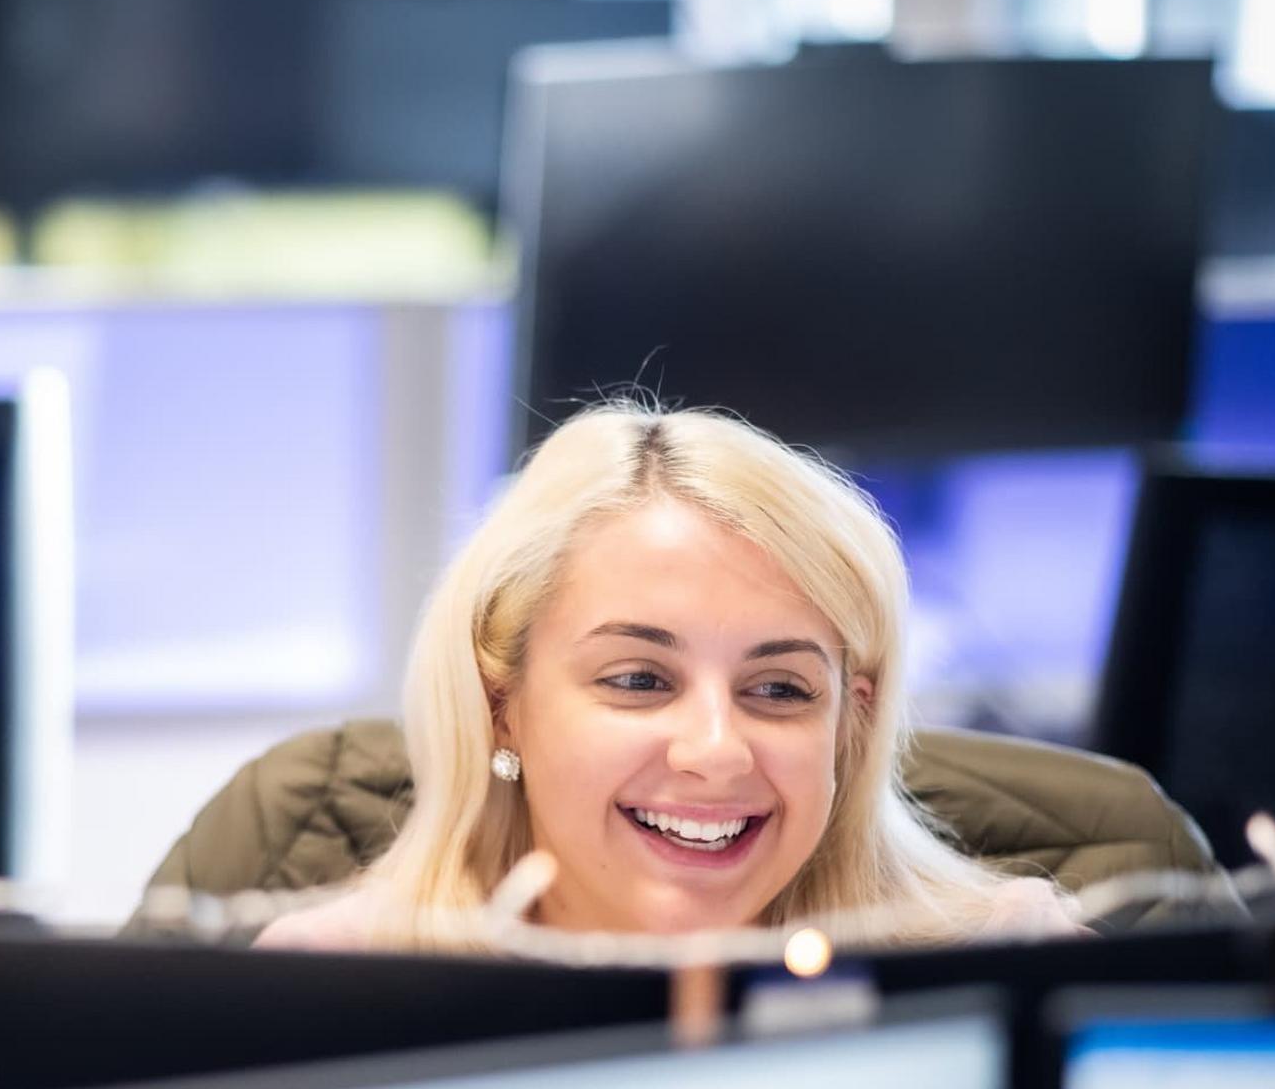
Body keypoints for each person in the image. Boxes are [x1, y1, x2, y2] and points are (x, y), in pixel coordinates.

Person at [257, 402, 1080, 953]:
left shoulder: (1004, 958)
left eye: (781, 690)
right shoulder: (333, 978)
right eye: (640, 680)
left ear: (849, 722)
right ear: (500, 704)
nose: (716, 752)